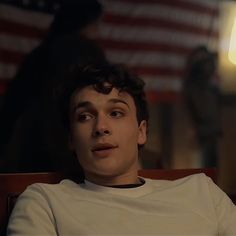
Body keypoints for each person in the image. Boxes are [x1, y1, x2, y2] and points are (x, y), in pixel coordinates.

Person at [7, 64, 236, 235]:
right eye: (84, 116)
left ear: (141, 132)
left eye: (116, 113)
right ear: (71, 139)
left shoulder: (201, 191)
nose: (101, 127)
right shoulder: (46, 202)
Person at [0, 0, 108, 172]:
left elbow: (11, 107)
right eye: (96, 23)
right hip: (68, 152)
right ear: (85, 22)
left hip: (24, 152)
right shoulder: (86, 52)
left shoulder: (38, 54)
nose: (99, 30)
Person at [183, 46, 222, 168]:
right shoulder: (194, 86)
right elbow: (199, 111)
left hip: (211, 131)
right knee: (203, 169)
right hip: (201, 132)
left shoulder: (209, 87)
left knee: (212, 167)